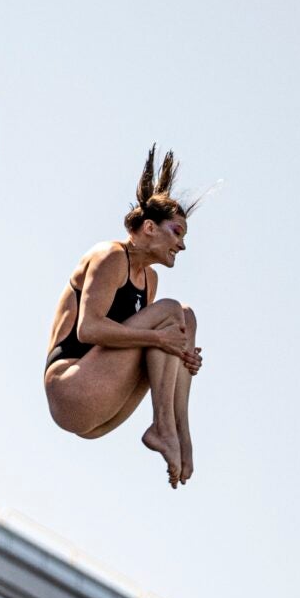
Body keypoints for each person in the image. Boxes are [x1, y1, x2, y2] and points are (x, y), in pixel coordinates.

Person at [43, 148, 204, 488]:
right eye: (176, 232)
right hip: (71, 387)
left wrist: (180, 353)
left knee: (185, 320)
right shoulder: (110, 256)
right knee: (172, 315)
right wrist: (161, 339)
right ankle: (163, 426)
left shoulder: (150, 280)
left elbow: (151, 343)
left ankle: (180, 436)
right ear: (149, 227)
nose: (182, 245)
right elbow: (89, 328)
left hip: (101, 409)